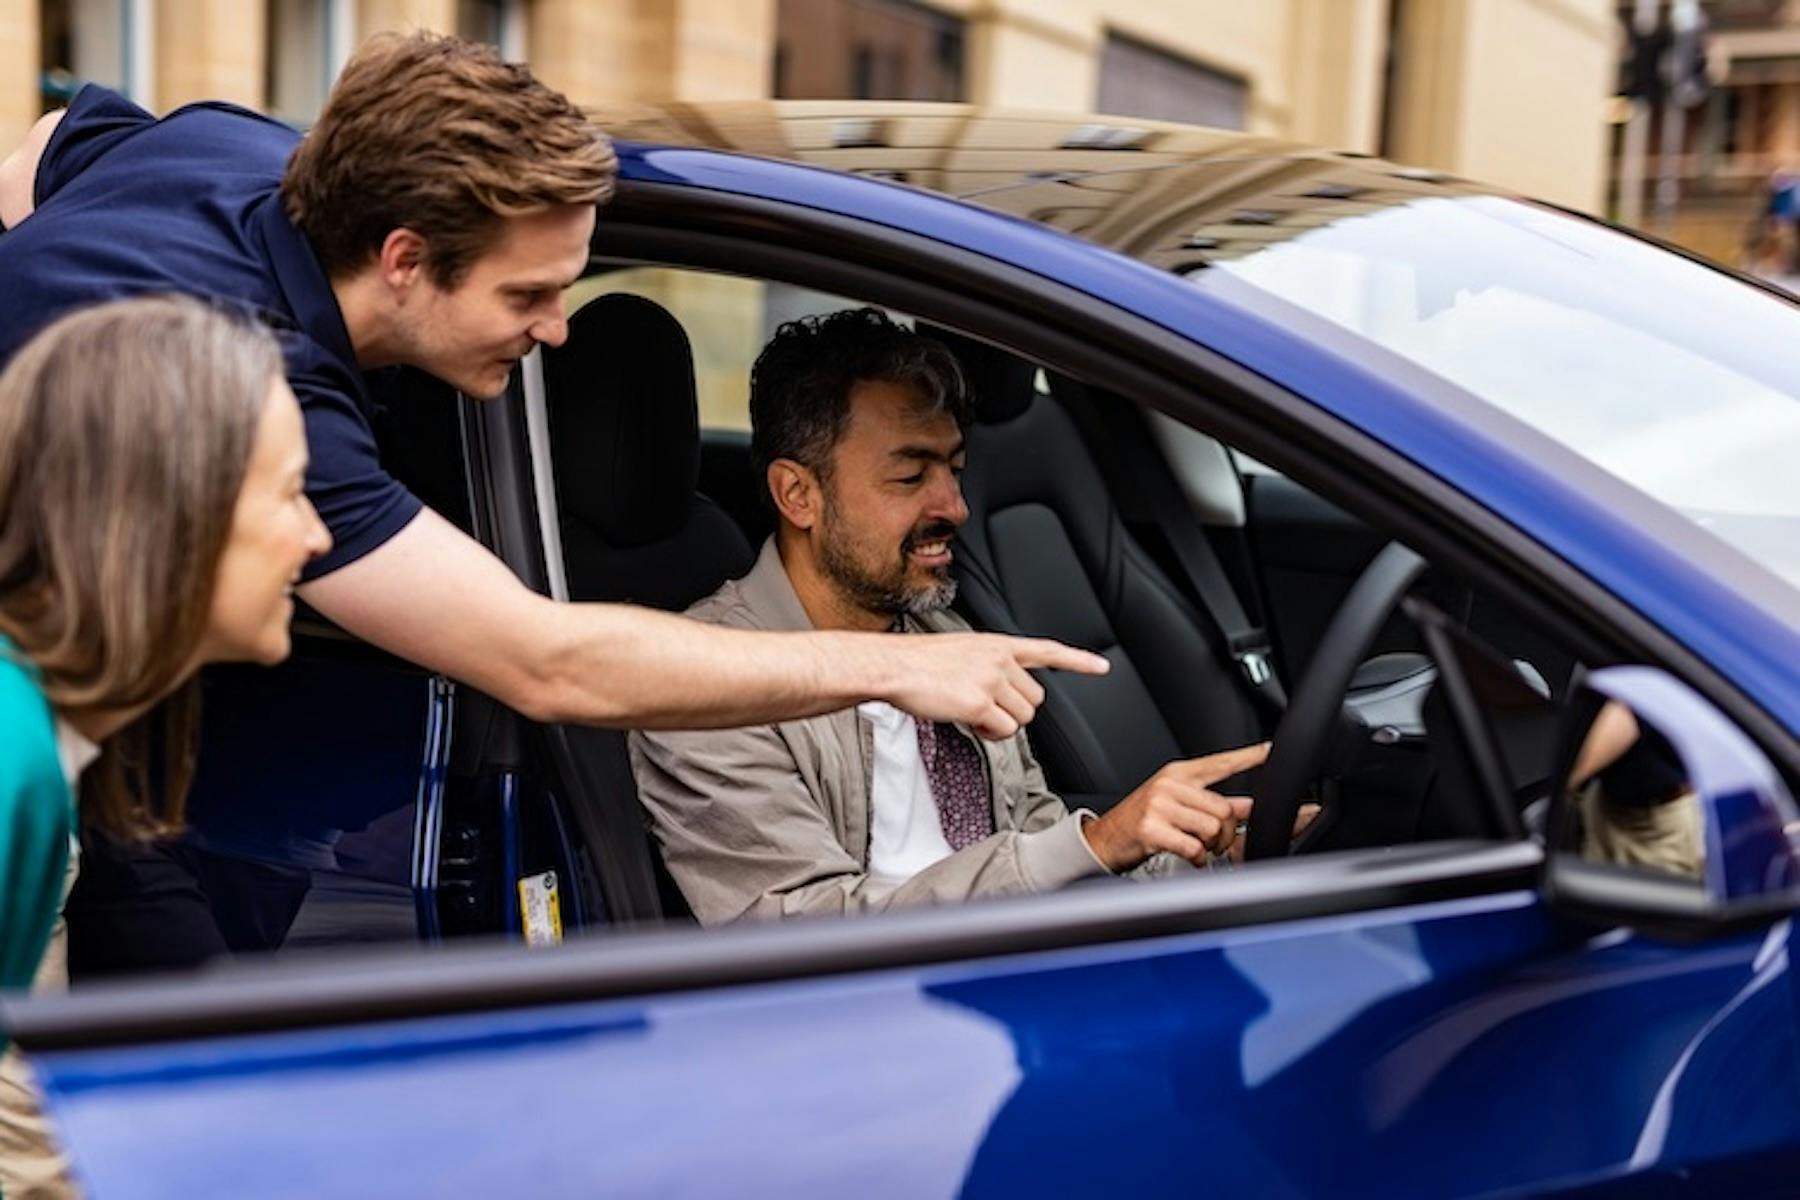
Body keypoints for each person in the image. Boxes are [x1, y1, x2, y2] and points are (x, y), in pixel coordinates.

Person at [0, 33, 1102, 971]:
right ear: (401, 258)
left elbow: (42, 154)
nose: (559, 331)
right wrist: (899, 666)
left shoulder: (232, 147)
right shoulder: (273, 388)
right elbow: (549, 663)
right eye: (526, 294)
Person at [630, 310, 1269, 924]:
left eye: (956, 469)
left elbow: (1037, 842)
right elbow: (806, 931)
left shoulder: (948, 642)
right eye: (910, 477)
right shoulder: (705, 684)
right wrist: (1097, 842)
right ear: (798, 494)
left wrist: (1204, 858)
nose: (955, 506)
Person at [0, 294, 332, 1196]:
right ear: (169, 512)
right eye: (291, 493)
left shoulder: (47, 741)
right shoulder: (12, 761)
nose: (318, 535)